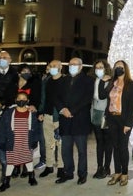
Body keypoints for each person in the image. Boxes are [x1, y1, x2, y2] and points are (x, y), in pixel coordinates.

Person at [54, 57, 93, 185]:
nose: (72, 66)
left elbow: (87, 99)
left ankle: (82, 174)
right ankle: (68, 172)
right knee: (65, 149)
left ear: (81, 67)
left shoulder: (88, 80)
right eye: (70, 64)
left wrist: (72, 111)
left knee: (81, 150)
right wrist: (62, 109)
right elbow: (57, 97)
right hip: (65, 120)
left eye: (75, 64)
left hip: (80, 120)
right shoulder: (63, 80)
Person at [101, 60, 133, 187]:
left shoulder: (131, 85)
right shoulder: (112, 83)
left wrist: (128, 123)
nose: (118, 69)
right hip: (112, 118)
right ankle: (117, 173)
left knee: (122, 147)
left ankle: (125, 174)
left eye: (120, 67)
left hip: (125, 120)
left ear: (125, 69)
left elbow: (132, 105)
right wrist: (103, 81)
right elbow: (101, 95)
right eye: (116, 67)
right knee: (115, 146)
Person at [0, 91, 41, 192]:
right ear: (15, 100)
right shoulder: (8, 113)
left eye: (24, 99)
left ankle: (31, 177)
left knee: (28, 159)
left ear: (27, 101)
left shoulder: (31, 113)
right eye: (19, 99)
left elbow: (36, 128)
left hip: (26, 141)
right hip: (12, 141)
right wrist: (2, 141)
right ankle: (6, 182)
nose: (21, 101)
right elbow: (2, 128)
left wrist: (35, 140)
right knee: (11, 161)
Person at [38, 60, 65, 178]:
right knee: (48, 142)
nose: (53, 68)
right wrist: (41, 111)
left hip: (59, 117)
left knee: (60, 143)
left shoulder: (65, 81)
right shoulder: (46, 81)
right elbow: (43, 97)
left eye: (55, 66)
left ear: (61, 67)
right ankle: (49, 166)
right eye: (51, 66)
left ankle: (60, 167)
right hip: (47, 115)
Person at [17, 64, 45, 171]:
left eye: (28, 71)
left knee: (29, 140)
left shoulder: (34, 82)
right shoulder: (15, 82)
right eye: (24, 71)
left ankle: (26, 166)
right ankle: (17, 164)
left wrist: (36, 107)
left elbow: (38, 97)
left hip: (30, 114)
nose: (26, 73)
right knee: (18, 140)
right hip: (17, 114)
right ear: (19, 72)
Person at [91, 59, 112, 179]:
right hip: (96, 113)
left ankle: (107, 166)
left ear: (105, 68)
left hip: (106, 114)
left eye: (101, 67)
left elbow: (102, 95)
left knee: (107, 142)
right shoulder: (95, 80)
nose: (98, 69)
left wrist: (101, 82)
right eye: (97, 67)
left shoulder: (109, 81)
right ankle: (99, 167)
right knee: (99, 142)